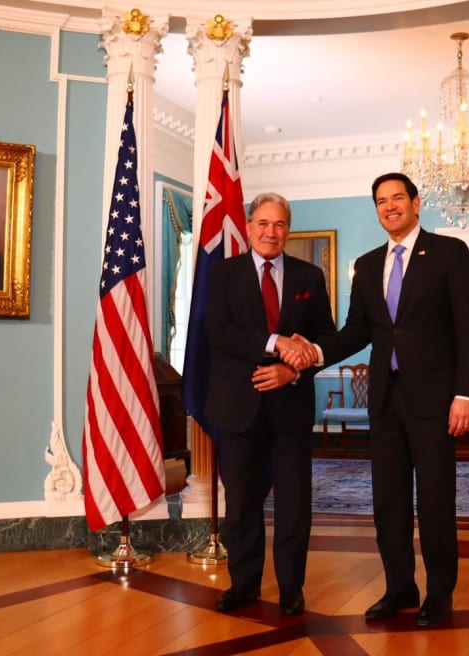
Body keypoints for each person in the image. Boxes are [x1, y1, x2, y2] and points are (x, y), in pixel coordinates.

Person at [285, 172, 469, 628]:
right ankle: (400, 588)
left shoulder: (449, 253)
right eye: (381, 201)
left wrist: (466, 393)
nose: (390, 206)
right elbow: (358, 330)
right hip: (385, 401)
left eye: (398, 198)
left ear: (417, 203)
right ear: (376, 210)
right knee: (388, 501)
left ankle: (438, 594)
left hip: (437, 400)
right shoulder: (368, 263)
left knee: (435, 501)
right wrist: (314, 352)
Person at [204, 192, 336, 616]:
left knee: (294, 504)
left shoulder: (309, 277)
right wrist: (273, 342)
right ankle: (243, 585)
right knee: (241, 502)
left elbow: (325, 341)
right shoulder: (223, 274)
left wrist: (294, 369)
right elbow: (218, 332)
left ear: (288, 230)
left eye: (279, 225)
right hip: (237, 405)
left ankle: (291, 589)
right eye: (263, 223)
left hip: (291, 407)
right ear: (248, 227)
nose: (270, 232)